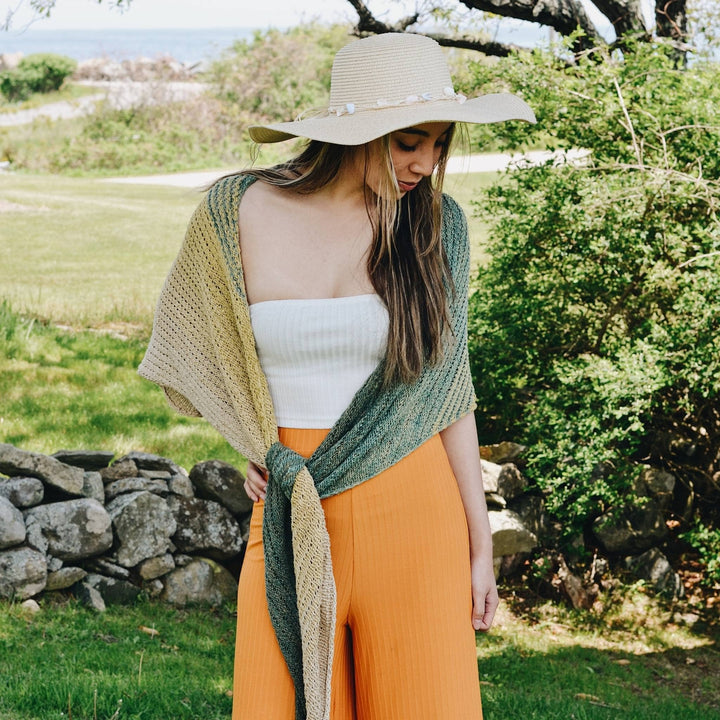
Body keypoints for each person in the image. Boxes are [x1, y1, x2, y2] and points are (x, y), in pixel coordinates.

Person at [139, 32, 534, 720]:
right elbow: (204, 354)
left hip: (414, 520)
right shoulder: (234, 213)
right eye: (411, 140)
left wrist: (480, 547)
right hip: (290, 516)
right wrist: (251, 441)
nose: (427, 162)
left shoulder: (437, 230)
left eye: (440, 143)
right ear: (358, 131)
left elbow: (451, 398)